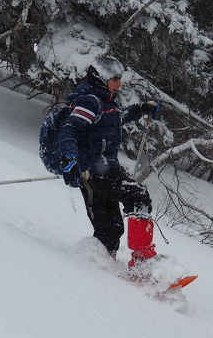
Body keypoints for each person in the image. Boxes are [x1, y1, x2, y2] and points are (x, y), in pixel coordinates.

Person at [58, 56, 161, 267]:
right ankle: (142, 260)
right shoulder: (89, 101)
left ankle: (100, 266)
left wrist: (141, 109)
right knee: (137, 195)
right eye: (115, 78)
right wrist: (70, 159)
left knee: (111, 229)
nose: (119, 83)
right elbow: (70, 129)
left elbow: (117, 117)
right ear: (101, 78)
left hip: (106, 171)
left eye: (120, 78)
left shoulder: (106, 103)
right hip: (93, 173)